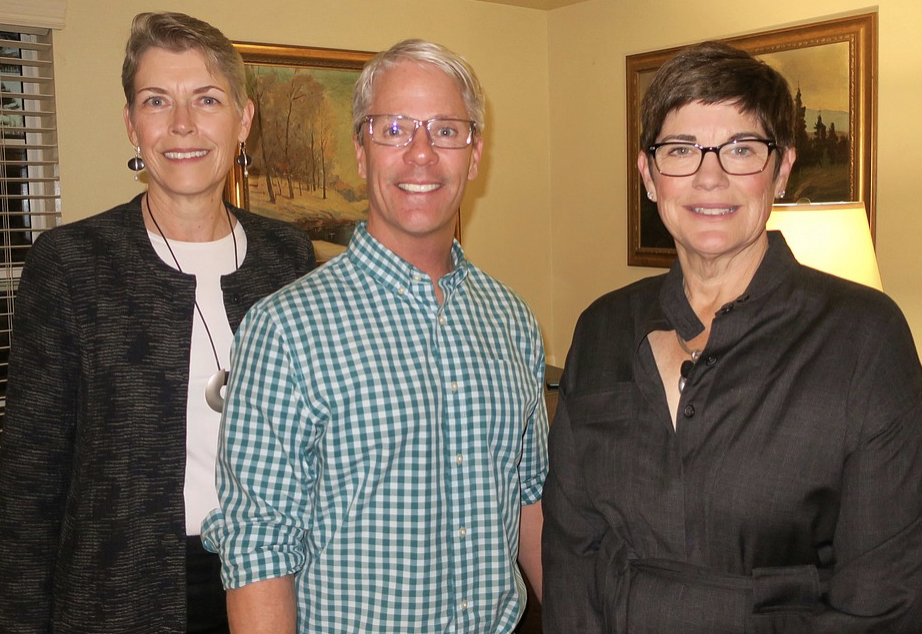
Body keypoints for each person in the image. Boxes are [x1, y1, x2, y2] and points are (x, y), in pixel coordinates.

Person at [542, 41, 922, 633]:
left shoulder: (863, 338)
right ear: (648, 175)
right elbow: (572, 549)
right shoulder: (603, 328)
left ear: (783, 168)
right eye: (681, 149)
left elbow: (884, 595)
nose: (709, 176)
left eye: (741, 149)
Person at [201, 39, 548, 633]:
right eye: (393, 129)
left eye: (445, 131)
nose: (420, 155)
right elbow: (258, 546)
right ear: (362, 152)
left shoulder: (512, 320)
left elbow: (530, 501)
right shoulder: (285, 330)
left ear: (474, 153)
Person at [0, 12, 315, 633]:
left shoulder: (290, 259)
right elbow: (28, 482)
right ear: (130, 124)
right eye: (156, 101)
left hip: (280, 583)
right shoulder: (70, 265)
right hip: (118, 594)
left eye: (206, 99)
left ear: (243, 119)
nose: (182, 126)